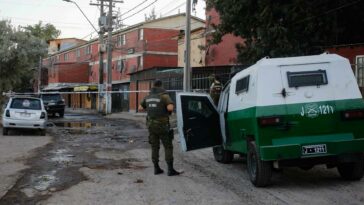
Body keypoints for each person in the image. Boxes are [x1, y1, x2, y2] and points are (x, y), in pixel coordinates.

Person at [138, 79, 180, 176]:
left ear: (153, 86)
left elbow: (140, 108)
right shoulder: (164, 96)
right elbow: (170, 108)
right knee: (168, 146)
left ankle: (156, 168)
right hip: (162, 126)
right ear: (161, 86)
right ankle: (170, 170)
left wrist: (151, 109)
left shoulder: (147, 97)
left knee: (154, 146)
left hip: (151, 125)